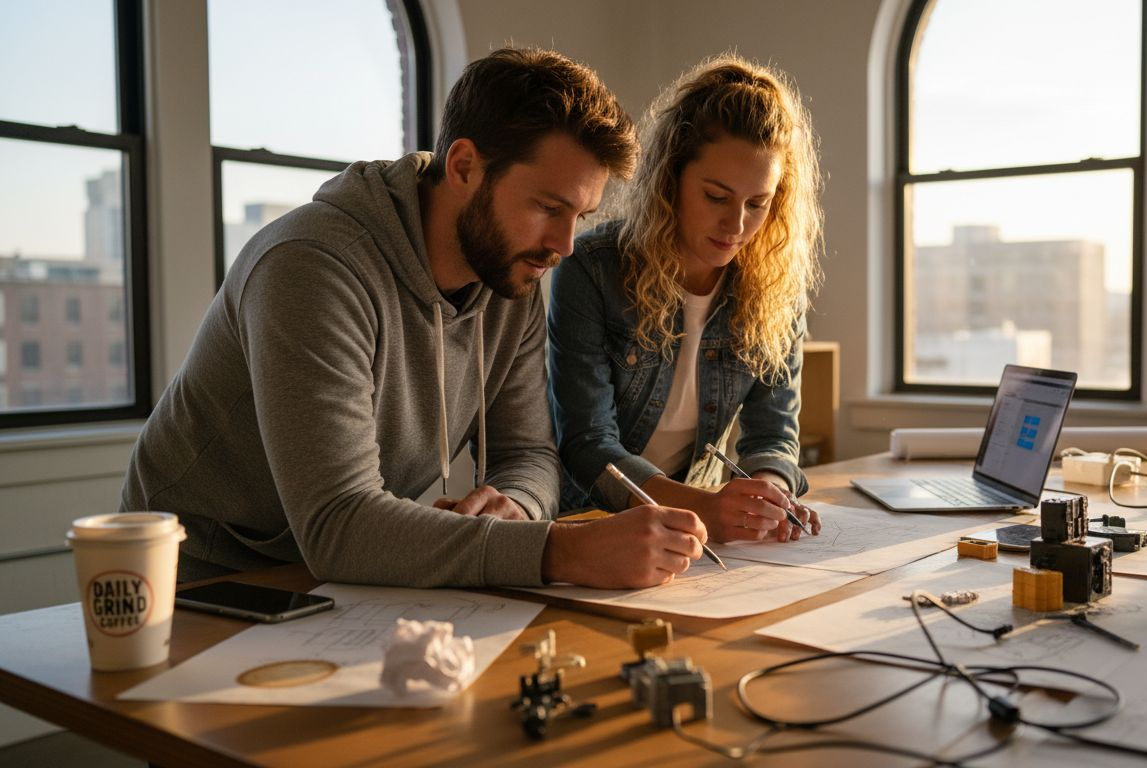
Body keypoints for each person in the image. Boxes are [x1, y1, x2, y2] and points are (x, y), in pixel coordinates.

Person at [120, 48, 709, 590]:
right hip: (197, 575)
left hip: (347, 576)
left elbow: (531, 454)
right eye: (547, 207)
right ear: (463, 167)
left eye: (579, 216)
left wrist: (519, 508)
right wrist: (563, 551)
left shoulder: (511, 273)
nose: (564, 245)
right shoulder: (311, 267)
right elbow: (339, 524)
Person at [548, 54, 824, 544]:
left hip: (699, 535)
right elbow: (588, 443)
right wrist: (707, 507)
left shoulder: (774, 288)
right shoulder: (591, 268)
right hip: (586, 524)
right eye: (716, 197)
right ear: (670, 180)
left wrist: (769, 493)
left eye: (757, 204)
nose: (736, 226)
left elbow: (774, 434)